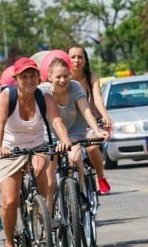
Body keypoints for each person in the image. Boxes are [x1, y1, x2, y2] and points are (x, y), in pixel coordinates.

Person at [0, 58, 71, 247]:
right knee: (9, 201)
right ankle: (9, 245)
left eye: (32, 75)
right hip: (10, 150)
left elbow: (56, 121)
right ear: (16, 79)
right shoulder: (6, 97)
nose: (28, 80)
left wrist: (64, 140)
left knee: (42, 183)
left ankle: (42, 218)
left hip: (37, 147)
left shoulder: (44, 97)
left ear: (38, 77)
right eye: (24, 76)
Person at [39, 53, 109, 200]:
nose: (62, 80)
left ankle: (81, 192)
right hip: (50, 137)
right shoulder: (42, 91)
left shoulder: (75, 86)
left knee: (75, 157)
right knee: (50, 182)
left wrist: (97, 130)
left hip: (74, 134)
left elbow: (86, 110)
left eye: (65, 76)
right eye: (58, 77)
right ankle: (50, 216)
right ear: (49, 77)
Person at [67, 45, 112, 194]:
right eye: (73, 57)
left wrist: (104, 115)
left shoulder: (91, 77)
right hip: (71, 123)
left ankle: (100, 177)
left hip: (90, 120)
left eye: (80, 57)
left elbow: (98, 98)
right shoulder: (64, 78)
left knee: (92, 147)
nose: (76, 60)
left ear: (85, 60)